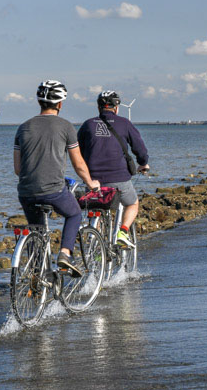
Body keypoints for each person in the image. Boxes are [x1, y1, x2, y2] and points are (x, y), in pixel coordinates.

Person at [14, 80, 99, 274]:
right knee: (74, 213)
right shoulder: (66, 127)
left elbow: (18, 169)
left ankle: (37, 278)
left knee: (36, 230)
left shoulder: (23, 128)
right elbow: (79, 164)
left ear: (39, 102)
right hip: (53, 190)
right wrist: (91, 183)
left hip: (26, 192)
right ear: (60, 104)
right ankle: (65, 253)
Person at [77, 90, 149, 248]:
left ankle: (95, 247)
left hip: (93, 181)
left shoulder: (87, 125)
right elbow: (140, 149)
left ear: (98, 107)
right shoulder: (125, 123)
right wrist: (143, 163)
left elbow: (78, 152)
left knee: (96, 207)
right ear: (117, 107)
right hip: (119, 179)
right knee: (133, 203)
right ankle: (122, 231)